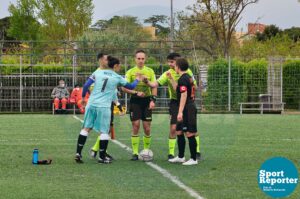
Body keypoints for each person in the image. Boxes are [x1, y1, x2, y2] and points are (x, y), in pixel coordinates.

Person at [74, 56, 142, 164]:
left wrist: (83, 98)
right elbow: (131, 86)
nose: (120, 67)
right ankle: (102, 157)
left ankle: (78, 153)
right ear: (115, 66)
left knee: (86, 128)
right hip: (104, 107)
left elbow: (86, 85)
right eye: (119, 65)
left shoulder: (98, 72)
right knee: (104, 132)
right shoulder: (117, 77)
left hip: (91, 104)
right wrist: (137, 79)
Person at [144, 53, 201, 160]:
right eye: (168, 62)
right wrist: (147, 82)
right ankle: (179, 156)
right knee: (177, 129)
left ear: (178, 63)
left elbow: (187, 92)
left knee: (190, 131)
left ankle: (195, 155)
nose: (170, 64)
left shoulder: (186, 75)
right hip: (176, 102)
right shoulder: (169, 73)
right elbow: (173, 88)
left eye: (172, 62)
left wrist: (181, 110)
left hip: (187, 103)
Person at [124, 50, 157, 161]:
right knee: (136, 125)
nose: (141, 60)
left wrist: (153, 100)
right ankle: (135, 153)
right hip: (135, 101)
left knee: (147, 128)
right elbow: (124, 87)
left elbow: (154, 86)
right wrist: (136, 93)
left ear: (145, 59)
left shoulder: (150, 71)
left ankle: (146, 151)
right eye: (139, 58)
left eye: (143, 58)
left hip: (147, 101)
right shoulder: (130, 72)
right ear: (135, 59)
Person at [168, 58, 198, 166]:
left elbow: (184, 95)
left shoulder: (183, 79)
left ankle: (194, 159)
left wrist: (180, 112)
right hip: (186, 107)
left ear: (178, 67)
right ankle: (181, 157)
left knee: (189, 133)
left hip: (188, 108)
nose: (174, 67)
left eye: (175, 65)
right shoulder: (186, 78)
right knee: (179, 131)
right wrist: (171, 78)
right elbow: (178, 89)